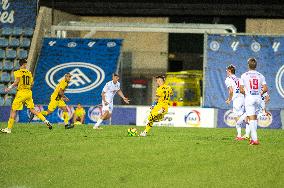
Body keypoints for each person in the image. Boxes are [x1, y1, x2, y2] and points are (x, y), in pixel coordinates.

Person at [1, 59, 52, 134]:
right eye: (25, 64)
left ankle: (8, 129)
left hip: (21, 93)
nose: (26, 65)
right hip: (29, 92)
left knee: (13, 110)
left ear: (20, 65)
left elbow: (17, 81)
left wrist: (9, 87)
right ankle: (46, 121)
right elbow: (32, 83)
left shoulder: (17, 72)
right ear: (23, 64)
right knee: (32, 110)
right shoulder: (29, 73)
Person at [240, 58, 268, 145]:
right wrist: (260, 93)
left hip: (249, 98)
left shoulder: (244, 75)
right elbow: (266, 88)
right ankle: (253, 139)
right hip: (258, 98)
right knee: (254, 119)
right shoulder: (260, 75)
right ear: (256, 66)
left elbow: (241, 90)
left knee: (251, 119)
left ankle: (255, 139)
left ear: (248, 65)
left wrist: (247, 93)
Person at [224, 64, 246, 140]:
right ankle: (245, 134)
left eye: (227, 70)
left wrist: (229, 99)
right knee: (239, 116)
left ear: (230, 71)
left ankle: (239, 136)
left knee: (236, 117)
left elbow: (231, 91)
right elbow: (243, 90)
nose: (226, 71)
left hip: (236, 99)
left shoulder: (228, 79)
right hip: (242, 98)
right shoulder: (239, 79)